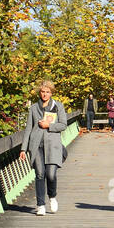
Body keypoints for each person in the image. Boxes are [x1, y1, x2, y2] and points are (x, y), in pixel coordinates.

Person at [19, 80, 69, 215]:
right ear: (39, 93)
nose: (45, 94)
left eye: (47, 92)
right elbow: (28, 129)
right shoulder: (34, 108)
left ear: (51, 93)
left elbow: (63, 125)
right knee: (40, 174)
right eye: (42, 92)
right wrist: (23, 149)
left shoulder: (57, 106)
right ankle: (40, 205)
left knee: (51, 175)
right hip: (36, 146)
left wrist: (49, 126)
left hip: (53, 145)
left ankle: (52, 197)